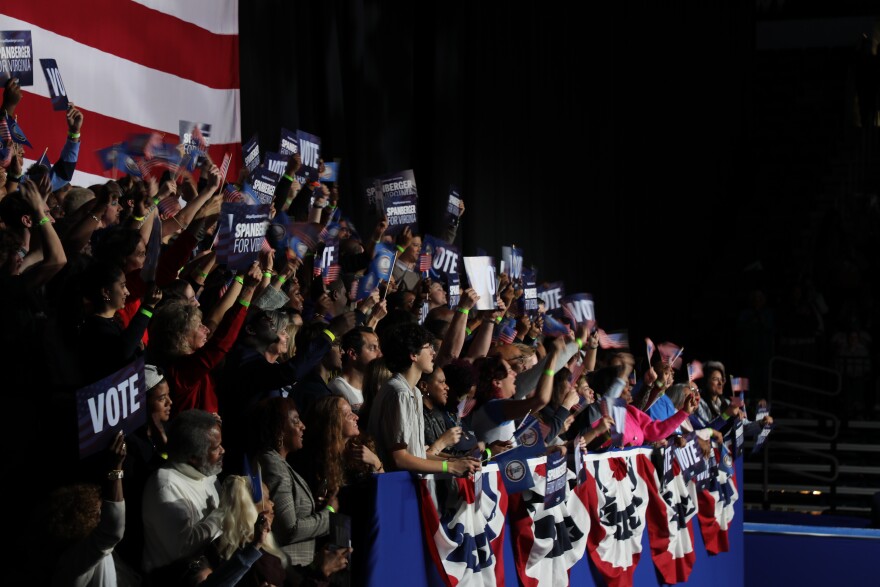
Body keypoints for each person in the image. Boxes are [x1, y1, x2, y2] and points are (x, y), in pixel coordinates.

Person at [147, 263, 262, 415]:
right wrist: (248, 290)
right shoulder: (181, 371)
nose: (206, 329)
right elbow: (220, 344)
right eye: (199, 326)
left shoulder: (187, 364)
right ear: (181, 336)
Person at [369, 322, 480, 476]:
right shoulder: (399, 392)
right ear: (413, 355)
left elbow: (416, 454)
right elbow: (399, 459)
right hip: (398, 488)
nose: (433, 353)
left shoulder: (411, 390)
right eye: (428, 348)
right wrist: (450, 467)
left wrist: (457, 461)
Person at [250, 397, 334, 567]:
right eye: (295, 421)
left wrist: (316, 508)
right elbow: (289, 530)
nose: (303, 426)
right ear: (279, 428)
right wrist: (329, 513)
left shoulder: (280, 463)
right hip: (290, 570)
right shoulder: (273, 464)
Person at [142, 409, 226, 576]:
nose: (223, 450)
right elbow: (183, 548)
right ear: (193, 457)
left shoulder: (206, 470)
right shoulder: (165, 487)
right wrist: (225, 512)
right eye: (216, 448)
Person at [48, 432, 127, 587]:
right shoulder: (72, 563)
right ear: (81, 520)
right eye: (97, 511)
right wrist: (116, 468)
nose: (102, 513)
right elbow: (112, 531)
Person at [470, 337, 565, 445]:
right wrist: (553, 357)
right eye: (510, 371)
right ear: (497, 382)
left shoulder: (497, 405)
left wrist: (550, 450)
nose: (515, 374)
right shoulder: (493, 407)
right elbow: (541, 399)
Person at [295, 396, 384, 501]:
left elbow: (386, 490)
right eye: (349, 415)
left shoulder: (363, 447)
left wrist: (375, 461)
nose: (356, 417)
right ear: (333, 423)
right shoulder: (315, 461)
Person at [328, 326, 382, 413]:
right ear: (353, 354)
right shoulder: (337, 390)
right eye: (372, 348)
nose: (380, 354)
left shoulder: (374, 386)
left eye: (379, 348)